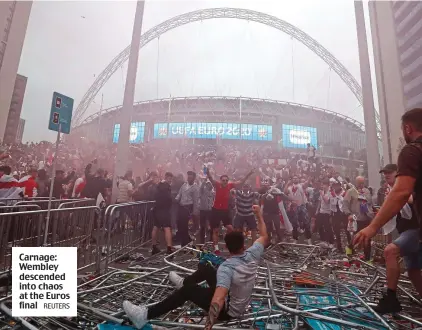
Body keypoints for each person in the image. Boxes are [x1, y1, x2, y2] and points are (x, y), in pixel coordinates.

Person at [122, 205, 269, 330]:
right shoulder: (253, 253)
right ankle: (184, 282)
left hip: (228, 311)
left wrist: (208, 327)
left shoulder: (227, 268)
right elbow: (264, 235)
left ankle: (144, 315)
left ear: (228, 249)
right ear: (244, 245)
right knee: (206, 269)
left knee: (188, 291)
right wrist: (259, 215)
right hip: (236, 297)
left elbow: (219, 299)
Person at [354, 108, 422, 312]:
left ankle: (391, 299)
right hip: (411, 231)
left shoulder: (413, 151)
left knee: (390, 251)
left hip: (415, 230)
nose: (387, 178)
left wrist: (372, 227)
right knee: (413, 270)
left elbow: (402, 193)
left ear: (408, 128)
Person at [206, 168, 255, 253]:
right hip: (216, 210)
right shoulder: (217, 184)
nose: (225, 181)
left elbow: (241, 182)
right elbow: (211, 179)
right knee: (216, 230)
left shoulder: (230, 185)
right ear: (220, 181)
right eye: (223, 180)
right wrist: (208, 173)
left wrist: (249, 174)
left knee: (231, 229)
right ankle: (216, 248)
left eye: (226, 180)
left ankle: (228, 242)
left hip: (225, 211)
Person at [343, 176, 374, 261]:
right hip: (356, 219)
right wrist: (348, 214)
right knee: (356, 238)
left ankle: (367, 259)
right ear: (355, 182)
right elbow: (345, 204)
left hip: (366, 218)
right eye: (359, 182)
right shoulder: (351, 191)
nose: (361, 184)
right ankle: (349, 248)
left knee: (367, 239)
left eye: (362, 183)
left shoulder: (367, 191)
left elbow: (370, 203)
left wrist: (372, 213)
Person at [151, 172, 174, 255]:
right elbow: (169, 198)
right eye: (170, 178)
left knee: (155, 227)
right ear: (166, 177)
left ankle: (154, 247)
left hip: (157, 209)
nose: (171, 180)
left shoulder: (158, 185)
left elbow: (155, 195)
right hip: (164, 210)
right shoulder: (166, 186)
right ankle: (169, 248)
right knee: (167, 228)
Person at [175, 171, 200, 247]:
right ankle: (187, 240)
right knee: (179, 224)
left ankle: (184, 243)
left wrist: (195, 213)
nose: (189, 178)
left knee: (184, 225)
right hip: (181, 207)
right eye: (188, 177)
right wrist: (176, 199)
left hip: (188, 208)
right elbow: (179, 194)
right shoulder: (184, 185)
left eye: (191, 177)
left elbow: (196, 201)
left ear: (194, 178)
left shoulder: (195, 188)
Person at [285, 175, 312, 245]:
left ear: (298, 179)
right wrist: (287, 183)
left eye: (296, 178)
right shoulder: (289, 187)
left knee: (306, 222)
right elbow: (285, 192)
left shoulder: (301, 185)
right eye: (294, 178)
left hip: (302, 206)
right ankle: (295, 239)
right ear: (292, 180)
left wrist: (309, 179)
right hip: (294, 206)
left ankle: (309, 239)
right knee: (294, 224)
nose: (295, 179)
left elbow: (306, 183)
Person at [330, 181, 351, 254]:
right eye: (334, 186)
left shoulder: (345, 193)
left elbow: (348, 203)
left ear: (340, 185)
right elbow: (331, 204)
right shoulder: (332, 194)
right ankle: (339, 248)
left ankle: (350, 249)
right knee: (336, 231)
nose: (335, 187)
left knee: (347, 231)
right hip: (335, 214)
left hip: (344, 213)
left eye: (337, 185)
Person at [315, 178, 334, 248]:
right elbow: (320, 201)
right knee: (319, 226)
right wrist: (317, 210)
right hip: (321, 211)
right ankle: (323, 240)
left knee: (327, 227)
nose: (322, 186)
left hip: (327, 212)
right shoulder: (322, 191)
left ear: (328, 185)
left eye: (324, 185)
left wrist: (322, 194)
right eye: (322, 185)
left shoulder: (330, 192)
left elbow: (327, 201)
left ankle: (331, 242)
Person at [199, 178, 215, 244]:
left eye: (210, 184)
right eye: (207, 184)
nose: (209, 185)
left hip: (210, 210)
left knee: (212, 225)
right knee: (202, 226)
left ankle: (211, 239)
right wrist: (204, 181)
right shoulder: (203, 191)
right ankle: (202, 241)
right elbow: (201, 188)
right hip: (203, 210)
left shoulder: (213, 193)